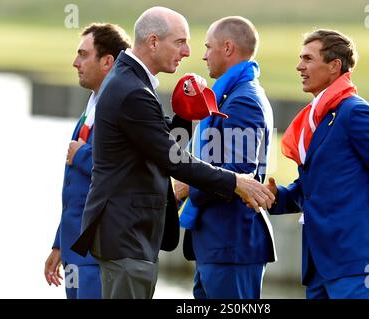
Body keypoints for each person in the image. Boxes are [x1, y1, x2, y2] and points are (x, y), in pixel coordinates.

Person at [70, 7, 275, 299]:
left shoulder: (130, 81)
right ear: (153, 42)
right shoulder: (132, 90)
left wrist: (184, 113)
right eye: (180, 42)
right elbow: (173, 159)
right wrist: (236, 182)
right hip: (127, 234)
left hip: (127, 234)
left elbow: (160, 143)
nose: (189, 52)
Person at [267, 29, 369, 299]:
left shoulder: (355, 112)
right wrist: (278, 197)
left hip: (357, 262)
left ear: (334, 66)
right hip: (321, 265)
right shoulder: (320, 117)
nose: (299, 66)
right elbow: (314, 188)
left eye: (308, 59)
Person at [173, 16, 276, 299]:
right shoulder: (231, 94)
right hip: (217, 244)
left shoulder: (242, 99)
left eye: (208, 47)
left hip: (232, 243)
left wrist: (186, 186)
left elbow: (239, 171)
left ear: (228, 48)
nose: (203, 55)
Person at [44, 23, 131, 299]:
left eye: (83, 54)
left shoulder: (123, 106)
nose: (75, 62)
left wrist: (80, 155)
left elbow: (123, 171)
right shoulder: (93, 104)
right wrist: (60, 243)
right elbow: (77, 186)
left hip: (97, 253)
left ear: (107, 62)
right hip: (74, 249)